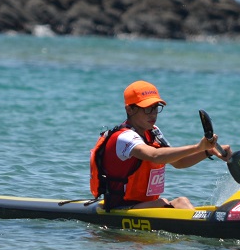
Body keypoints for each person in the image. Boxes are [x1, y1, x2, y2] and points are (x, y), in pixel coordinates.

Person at [90, 80, 231, 210]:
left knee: (182, 201)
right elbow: (155, 155)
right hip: (120, 208)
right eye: (147, 109)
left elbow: (179, 162)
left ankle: (202, 228)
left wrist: (208, 151)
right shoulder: (124, 137)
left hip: (147, 206)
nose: (153, 114)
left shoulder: (154, 132)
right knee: (162, 203)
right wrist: (198, 147)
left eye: (155, 108)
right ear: (130, 109)